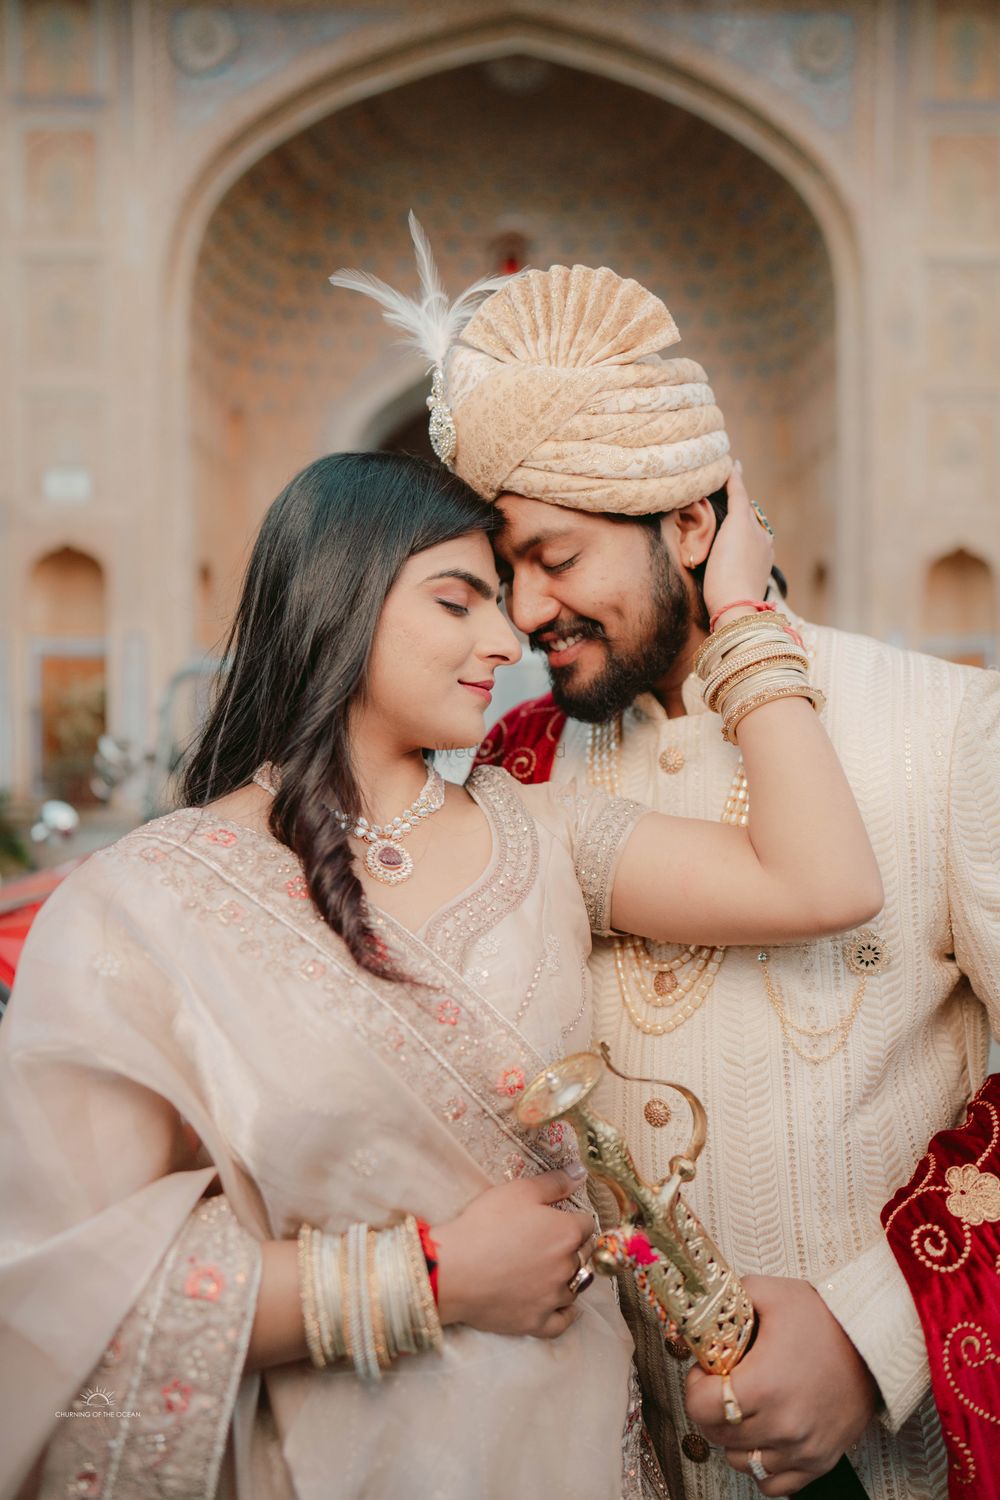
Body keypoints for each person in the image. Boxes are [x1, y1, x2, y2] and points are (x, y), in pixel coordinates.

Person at [0, 445, 881, 1500]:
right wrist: (428, 1282)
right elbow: (60, 1303)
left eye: (499, 606)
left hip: (584, 1458)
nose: (506, 640)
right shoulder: (142, 904)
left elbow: (824, 882)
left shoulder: (544, 838)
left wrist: (739, 613)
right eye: (457, 602)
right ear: (340, 596)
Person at [399, 262, 1000, 1499]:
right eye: (501, 570)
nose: (524, 611)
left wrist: (869, 1337)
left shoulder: (946, 732)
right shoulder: (521, 771)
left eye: (555, 557)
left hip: (894, 1458)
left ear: (689, 524)